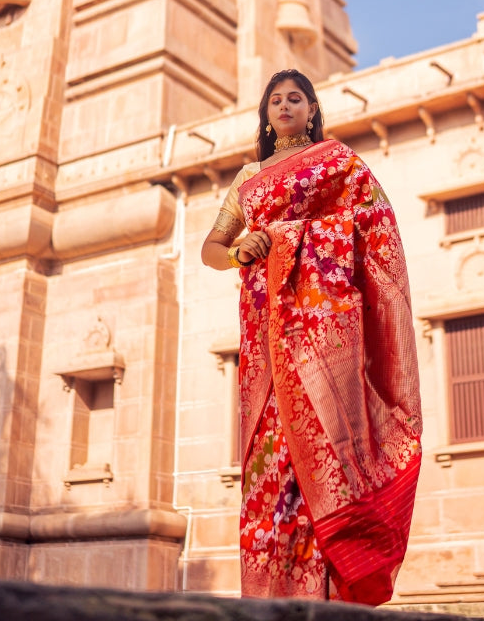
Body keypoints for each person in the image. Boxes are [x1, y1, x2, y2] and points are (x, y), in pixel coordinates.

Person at [201, 69, 422, 604]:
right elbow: (212, 250)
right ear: (266, 113)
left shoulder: (337, 164)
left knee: (325, 445)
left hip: (323, 330)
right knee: (270, 451)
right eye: (274, 99)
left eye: (294, 98)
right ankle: (273, 593)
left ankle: (329, 588)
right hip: (263, 330)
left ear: (312, 108)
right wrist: (241, 249)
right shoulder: (248, 178)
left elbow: (375, 222)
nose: (283, 106)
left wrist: (286, 235)